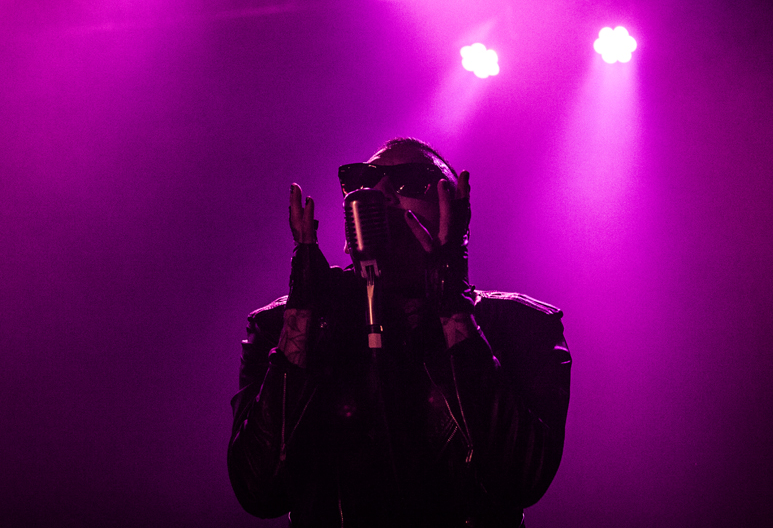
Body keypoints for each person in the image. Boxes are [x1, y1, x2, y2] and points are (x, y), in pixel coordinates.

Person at [228, 138, 571, 528]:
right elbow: (258, 491)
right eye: (363, 179)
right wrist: (302, 318)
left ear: (455, 208)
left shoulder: (521, 326)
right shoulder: (279, 328)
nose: (381, 193)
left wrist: (452, 307)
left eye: (409, 180)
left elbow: (519, 478)